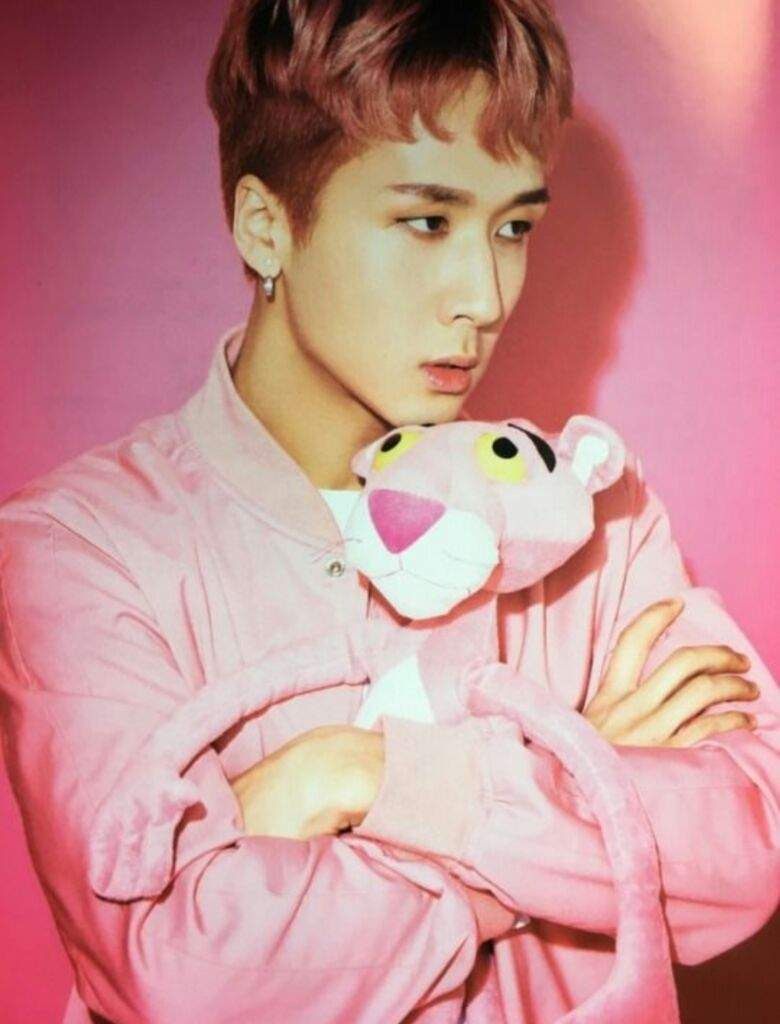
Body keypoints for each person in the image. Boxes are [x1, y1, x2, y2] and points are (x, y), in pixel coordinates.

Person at [0, 2, 777, 1022]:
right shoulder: (78, 547)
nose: (485, 295)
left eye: (513, 227)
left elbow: (748, 848)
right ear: (266, 225)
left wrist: (364, 774)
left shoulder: (589, 511)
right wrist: (564, 780)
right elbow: (188, 981)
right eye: (427, 221)